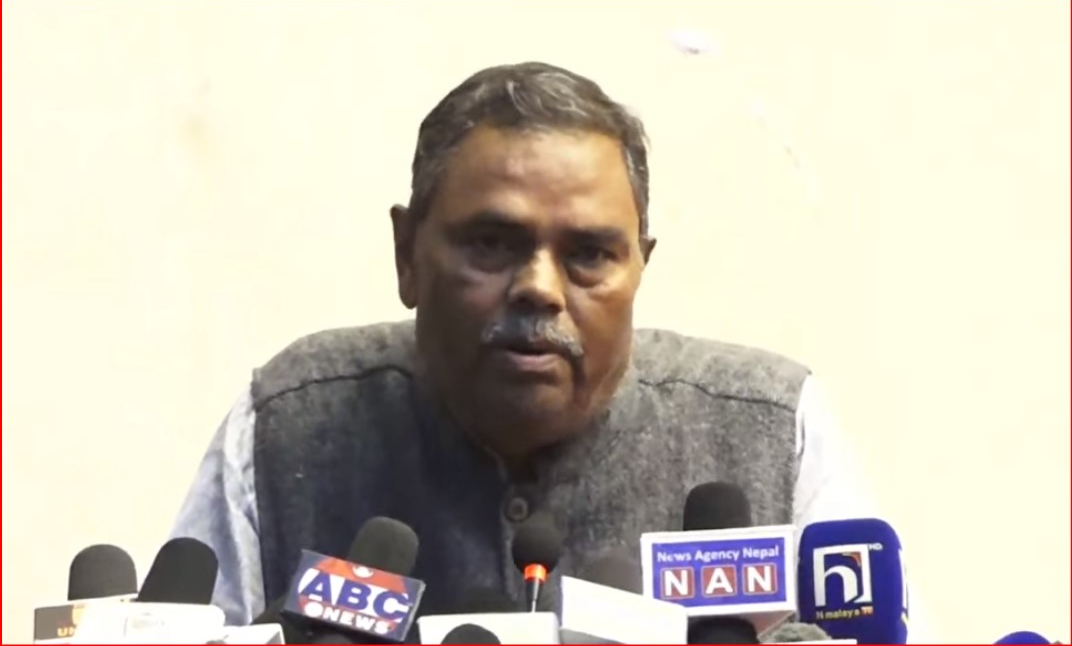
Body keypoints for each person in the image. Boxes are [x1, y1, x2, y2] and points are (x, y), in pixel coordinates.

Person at [171, 61, 923, 637]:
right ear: (407, 256)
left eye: (589, 254)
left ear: (640, 268)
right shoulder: (290, 422)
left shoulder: (771, 426)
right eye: (492, 244)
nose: (539, 288)